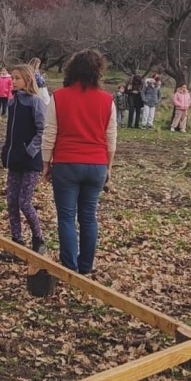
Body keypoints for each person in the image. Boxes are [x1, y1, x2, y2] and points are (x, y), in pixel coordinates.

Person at [42, 48, 116, 275]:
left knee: (66, 217)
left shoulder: (59, 97)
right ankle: (86, 266)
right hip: (96, 164)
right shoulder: (107, 100)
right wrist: (108, 167)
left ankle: (69, 267)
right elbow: (111, 138)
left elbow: (49, 133)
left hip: (66, 162)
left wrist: (46, 163)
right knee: (88, 216)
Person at [1, 64, 47, 254]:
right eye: (12, 78)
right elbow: (11, 131)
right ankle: (16, 241)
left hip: (30, 161)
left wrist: (30, 150)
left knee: (24, 202)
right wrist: (7, 150)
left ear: (27, 79)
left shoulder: (36, 102)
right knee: (11, 201)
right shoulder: (12, 102)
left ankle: (38, 238)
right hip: (14, 159)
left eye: (17, 78)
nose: (13, 81)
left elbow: (42, 130)